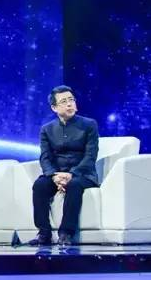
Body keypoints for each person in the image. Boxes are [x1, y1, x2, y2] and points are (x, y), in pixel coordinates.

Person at [29, 85, 99, 246]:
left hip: (83, 174)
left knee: (74, 184)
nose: (69, 104)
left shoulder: (89, 125)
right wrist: (54, 176)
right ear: (54, 108)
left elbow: (90, 156)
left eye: (71, 100)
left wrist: (71, 174)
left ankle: (66, 233)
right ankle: (44, 233)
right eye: (64, 101)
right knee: (39, 185)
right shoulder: (47, 129)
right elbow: (45, 157)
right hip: (57, 174)